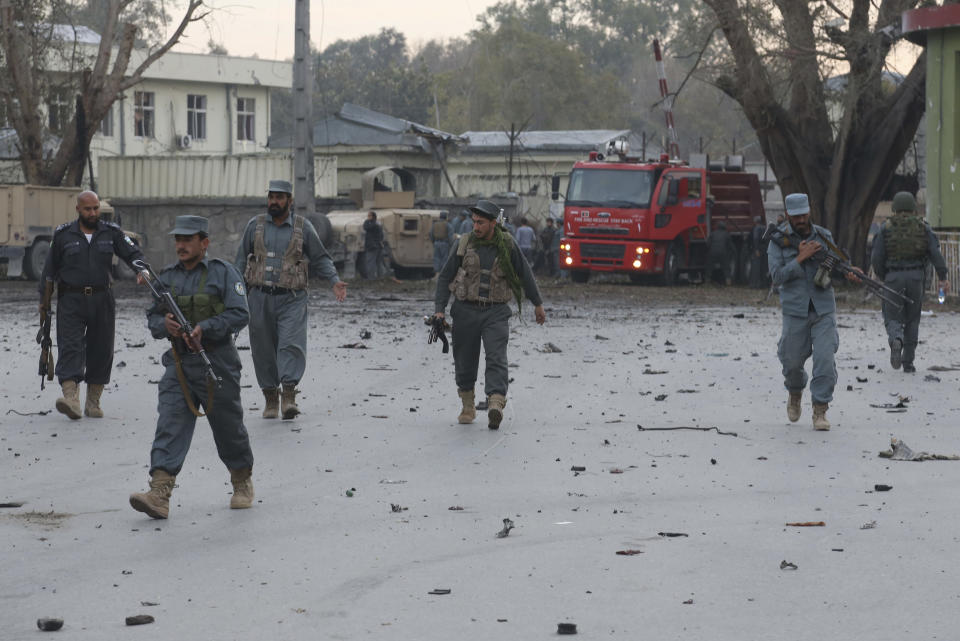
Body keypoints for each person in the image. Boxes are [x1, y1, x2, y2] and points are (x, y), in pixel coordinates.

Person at [129, 215, 255, 520]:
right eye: (177, 240)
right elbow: (152, 317)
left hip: (217, 362)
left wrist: (206, 327)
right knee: (170, 423)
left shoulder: (224, 273)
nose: (181, 245)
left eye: (187, 240)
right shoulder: (167, 277)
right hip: (180, 363)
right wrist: (165, 325)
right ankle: (159, 492)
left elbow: (240, 314)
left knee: (228, 428)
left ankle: (241, 481)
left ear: (205, 242)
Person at [235, 180, 347, 420]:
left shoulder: (302, 227)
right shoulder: (254, 226)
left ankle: (288, 397)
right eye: (271, 197)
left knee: (291, 345)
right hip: (259, 298)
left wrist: (334, 280)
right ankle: (270, 399)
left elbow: (321, 258)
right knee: (263, 350)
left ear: (290, 200)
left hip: (292, 298)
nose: (274, 201)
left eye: (279, 197)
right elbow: (239, 263)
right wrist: (234, 295)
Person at [432, 199, 547, 429]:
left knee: (496, 356)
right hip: (464, 309)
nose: (476, 227)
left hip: (495, 311)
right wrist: (439, 310)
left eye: (481, 223)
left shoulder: (507, 244)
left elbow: (525, 273)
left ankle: (495, 402)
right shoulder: (463, 244)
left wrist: (537, 303)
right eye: (474, 222)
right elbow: (445, 277)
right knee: (464, 359)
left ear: (493, 223)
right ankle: (467, 405)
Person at [39, 190, 144, 420]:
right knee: (70, 346)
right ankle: (71, 399)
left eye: (96, 208)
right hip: (71, 299)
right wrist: (43, 301)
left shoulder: (111, 233)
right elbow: (49, 271)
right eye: (88, 209)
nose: (93, 212)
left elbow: (132, 252)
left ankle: (93, 402)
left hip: (102, 298)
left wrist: (141, 269)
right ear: (78, 209)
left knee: (101, 349)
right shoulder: (63, 235)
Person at [768, 193, 862, 431]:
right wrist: (800, 258)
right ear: (788, 214)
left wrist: (849, 272)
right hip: (794, 310)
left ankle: (820, 409)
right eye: (795, 215)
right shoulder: (778, 240)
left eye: (804, 214)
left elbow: (836, 264)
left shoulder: (823, 236)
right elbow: (776, 277)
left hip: (823, 308)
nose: (801, 219)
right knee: (791, 362)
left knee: (825, 359)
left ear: (809, 212)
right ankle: (795, 391)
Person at [870, 191, 950, 373]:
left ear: (894, 207)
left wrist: (884, 275)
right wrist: (943, 277)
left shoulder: (885, 228)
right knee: (913, 319)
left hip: (893, 278)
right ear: (914, 207)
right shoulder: (923, 227)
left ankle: (896, 340)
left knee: (892, 316)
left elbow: (877, 257)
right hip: (916, 278)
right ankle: (908, 362)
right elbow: (935, 254)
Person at [707, 220, 735, 285]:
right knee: (726, 268)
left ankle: (707, 281)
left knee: (709, 267)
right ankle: (728, 282)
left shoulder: (712, 233)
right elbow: (731, 246)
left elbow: (708, 244)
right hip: (723, 253)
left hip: (712, 253)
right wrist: (732, 253)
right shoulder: (727, 234)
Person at [362, 210, 384, 279]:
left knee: (370, 262)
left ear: (373, 217)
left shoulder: (373, 225)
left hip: (372, 246)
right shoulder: (378, 224)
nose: (368, 217)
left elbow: (366, 227)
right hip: (378, 246)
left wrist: (367, 221)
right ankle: (380, 277)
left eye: (369, 216)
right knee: (378, 263)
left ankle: (371, 278)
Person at [749, 216, 768, 288]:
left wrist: (756, 249)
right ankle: (764, 284)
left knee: (756, 267)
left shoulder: (756, 228)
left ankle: (755, 285)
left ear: (755, 222)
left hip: (758, 249)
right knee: (764, 267)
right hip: (765, 249)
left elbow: (755, 239)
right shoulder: (765, 227)